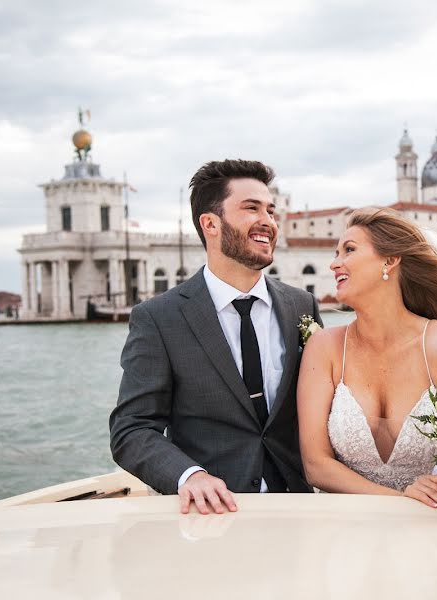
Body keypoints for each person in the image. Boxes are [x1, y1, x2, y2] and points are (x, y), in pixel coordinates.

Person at [110, 159, 322, 515]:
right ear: (210, 223)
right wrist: (189, 476)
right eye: (251, 208)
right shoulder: (159, 318)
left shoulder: (301, 306)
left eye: (270, 211)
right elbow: (132, 429)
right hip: (211, 516)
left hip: (298, 508)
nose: (268, 221)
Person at [298, 207, 437, 509]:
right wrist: (402, 500)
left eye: (349, 250)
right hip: (345, 528)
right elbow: (316, 465)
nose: (334, 263)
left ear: (390, 260)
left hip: (430, 528)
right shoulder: (324, 347)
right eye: (336, 252)